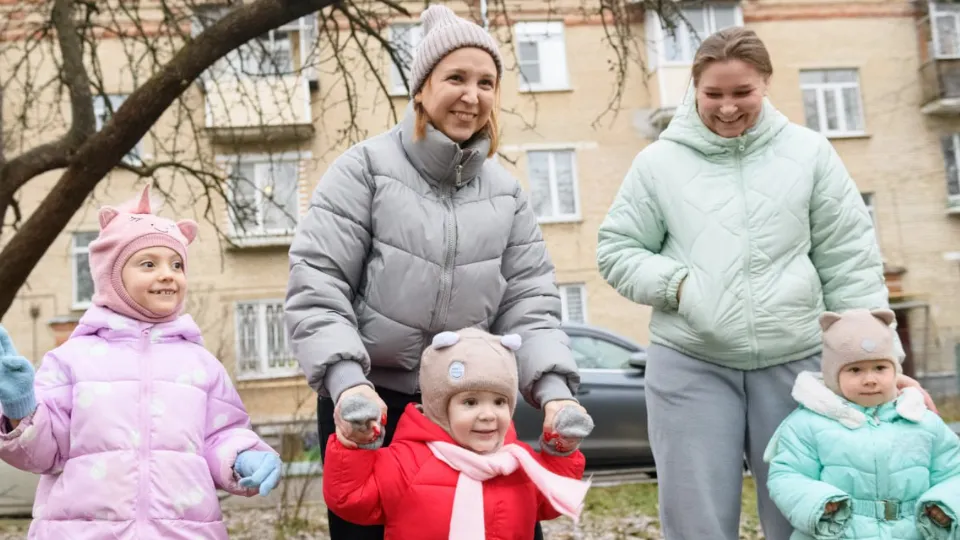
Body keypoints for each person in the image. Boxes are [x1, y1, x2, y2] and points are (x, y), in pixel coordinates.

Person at [596, 27, 935, 540]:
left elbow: (849, 258)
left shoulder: (810, 153)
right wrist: (680, 286)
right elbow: (617, 250)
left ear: (766, 85)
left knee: (807, 513)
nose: (727, 108)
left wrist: (880, 362)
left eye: (742, 93)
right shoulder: (658, 163)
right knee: (697, 521)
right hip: (691, 362)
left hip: (797, 364)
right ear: (693, 89)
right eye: (713, 94)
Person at [285, 4, 587, 540]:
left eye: (486, 82)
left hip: (473, 407)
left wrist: (555, 388)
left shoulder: (506, 194)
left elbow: (529, 302)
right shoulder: (365, 171)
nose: (472, 95)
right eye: (456, 78)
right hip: (374, 405)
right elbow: (319, 284)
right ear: (421, 88)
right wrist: (347, 384)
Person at [0, 186, 281, 539]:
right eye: (148, 263)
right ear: (111, 276)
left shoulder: (200, 365)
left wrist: (242, 455)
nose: (168, 274)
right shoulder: (71, 360)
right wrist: (19, 406)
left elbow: (221, 434)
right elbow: (42, 455)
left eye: (176, 264)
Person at [322, 328, 592, 540]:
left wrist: (562, 448)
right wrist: (355, 443)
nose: (488, 414)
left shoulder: (517, 462)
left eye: (499, 402)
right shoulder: (407, 463)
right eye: (470, 402)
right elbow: (351, 498)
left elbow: (552, 499)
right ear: (440, 407)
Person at [766, 309, 960, 540]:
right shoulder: (808, 424)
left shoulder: (921, 421)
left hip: (914, 531)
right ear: (832, 375)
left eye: (880, 368)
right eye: (855, 370)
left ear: (895, 370)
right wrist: (820, 502)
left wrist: (945, 504)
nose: (870, 379)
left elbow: (953, 472)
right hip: (839, 531)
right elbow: (787, 475)